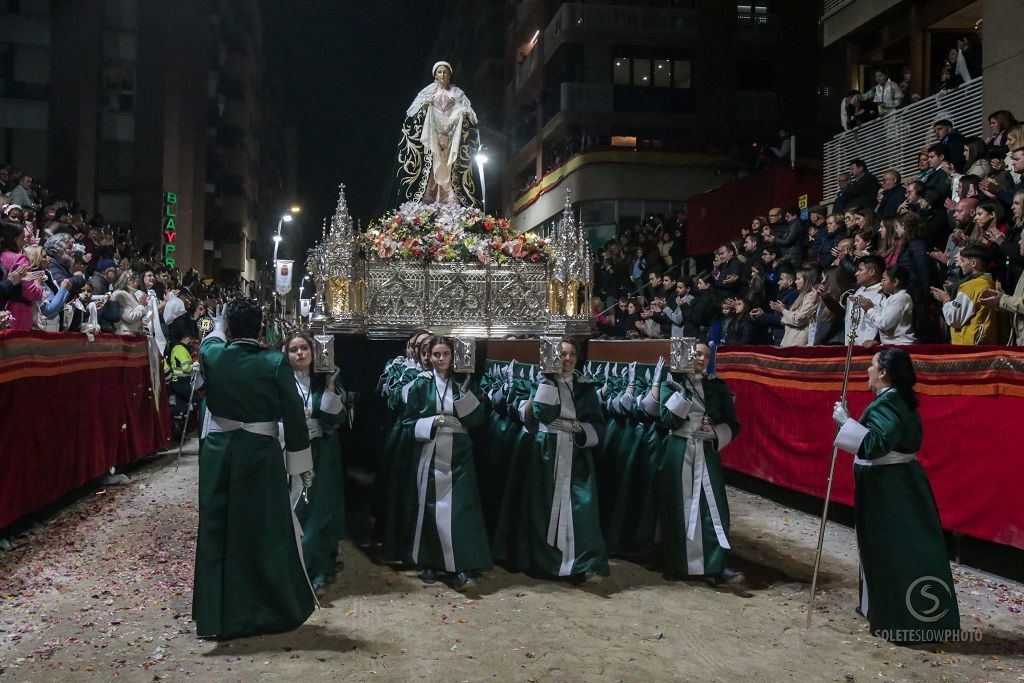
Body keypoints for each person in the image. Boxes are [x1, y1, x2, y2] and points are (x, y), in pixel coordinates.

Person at [192, 297, 316, 640]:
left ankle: (215, 616)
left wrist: (218, 325)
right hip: (260, 454)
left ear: (230, 327)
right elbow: (292, 413)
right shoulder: (274, 362)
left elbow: (211, 339)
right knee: (263, 531)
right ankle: (267, 610)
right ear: (261, 327)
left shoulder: (214, 355)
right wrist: (299, 465)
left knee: (219, 528)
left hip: (220, 453)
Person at [832, 348, 960, 642]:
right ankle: (881, 607)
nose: (867, 369)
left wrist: (845, 422)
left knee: (896, 549)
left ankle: (905, 620)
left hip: (891, 489)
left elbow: (876, 444)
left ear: (884, 373)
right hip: (897, 483)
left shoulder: (888, 405)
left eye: (872, 365)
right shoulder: (895, 400)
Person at [644, 344, 742, 583]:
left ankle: (716, 564)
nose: (702, 359)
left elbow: (733, 422)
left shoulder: (716, 386)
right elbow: (668, 421)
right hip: (678, 450)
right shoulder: (672, 385)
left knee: (714, 507)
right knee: (678, 506)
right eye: (697, 354)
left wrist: (716, 433)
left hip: (706, 450)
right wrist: (682, 396)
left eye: (706, 356)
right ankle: (677, 563)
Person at [403, 335, 490, 590]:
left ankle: (460, 566)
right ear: (428, 357)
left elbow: (477, 420)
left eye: (445, 354)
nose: (440, 359)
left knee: (460, 511)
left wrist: (464, 393)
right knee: (429, 507)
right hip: (429, 453)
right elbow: (408, 423)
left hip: (459, 455)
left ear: (453, 357)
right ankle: (429, 561)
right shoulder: (420, 385)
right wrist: (432, 422)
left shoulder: (464, 383)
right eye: (436, 355)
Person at [519, 339, 609, 581]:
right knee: (544, 505)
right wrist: (548, 380)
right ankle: (544, 562)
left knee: (581, 507)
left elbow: (597, 423)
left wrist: (579, 429)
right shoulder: (543, 383)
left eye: (571, 355)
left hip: (577, 453)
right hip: (547, 452)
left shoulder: (585, 387)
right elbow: (541, 414)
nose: (566, 359)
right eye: (561, 354)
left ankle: (580, 563)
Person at [283, 332, 348, 594]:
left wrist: (331, 387)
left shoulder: (324, 381)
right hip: (291, 449)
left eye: (304, 348)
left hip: (322, 451)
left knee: (320, 510)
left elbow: (338, 417)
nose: (300, 354)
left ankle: (320, 569)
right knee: (297, 509)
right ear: (286, 356)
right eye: (293, 350)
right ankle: (296, 567)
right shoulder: (283, 382)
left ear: (313, 352)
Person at [397, 61, 482, 207]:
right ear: (435, 75)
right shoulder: (427, 93)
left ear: (450, 75)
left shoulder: (457, 93)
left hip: (452, 136)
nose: (443, 74)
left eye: (445, 72)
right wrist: (424, 108)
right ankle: (429, 200)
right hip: (432, 135)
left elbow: (469, 112)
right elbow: (412, 113)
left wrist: (463, 114)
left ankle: (450, 200)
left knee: (450, 168)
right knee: (431, 167)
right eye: (440, 72)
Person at [931, 245, 1001, 345]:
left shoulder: (971, 287)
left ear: (973, 263)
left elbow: (954, 318)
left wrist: (946, 300)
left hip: (969, 347)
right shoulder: (991, 283)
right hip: (987, 344)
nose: (960, 265)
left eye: (963, 261)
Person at [0, 220, 42, 331]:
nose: (25, 241)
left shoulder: (2, 256)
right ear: (14, 239)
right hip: (18, 313)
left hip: (3, 307)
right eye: (22, 238)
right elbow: (31, 292)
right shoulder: (20, 259)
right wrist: (38, 282)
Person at [858, 265, 916, 345]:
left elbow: (884, 324)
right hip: (894, 344)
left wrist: (870, 309)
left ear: (895, 282)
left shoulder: (900, 297)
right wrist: (871, 306)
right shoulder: (894, 297)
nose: (881, 283)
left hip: (901, 345)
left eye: (884, 279)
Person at [775, 266, 818, 347]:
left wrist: (783, 310)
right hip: (790, 341)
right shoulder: (801, 296)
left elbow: (798, 320)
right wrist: (784, 310)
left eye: (798, 279)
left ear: (807, 280)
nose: (796, 282)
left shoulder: (810, 297)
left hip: (797, 343)